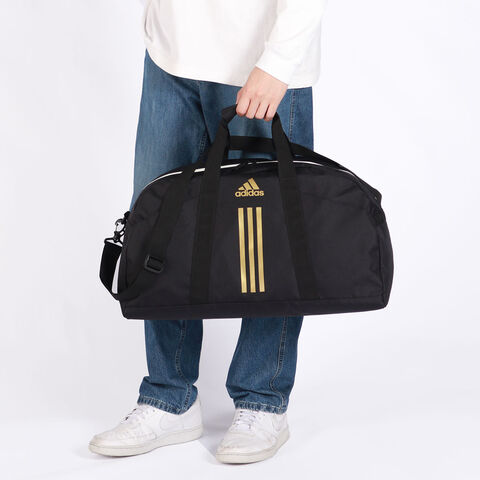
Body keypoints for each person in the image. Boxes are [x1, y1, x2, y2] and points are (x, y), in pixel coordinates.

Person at [89, 0, 327, 464]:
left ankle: (263, 400)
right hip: (171, 56)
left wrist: (279, 61)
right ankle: (169, 397)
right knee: (158, 229)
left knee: (269, 240)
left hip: (259, 63)